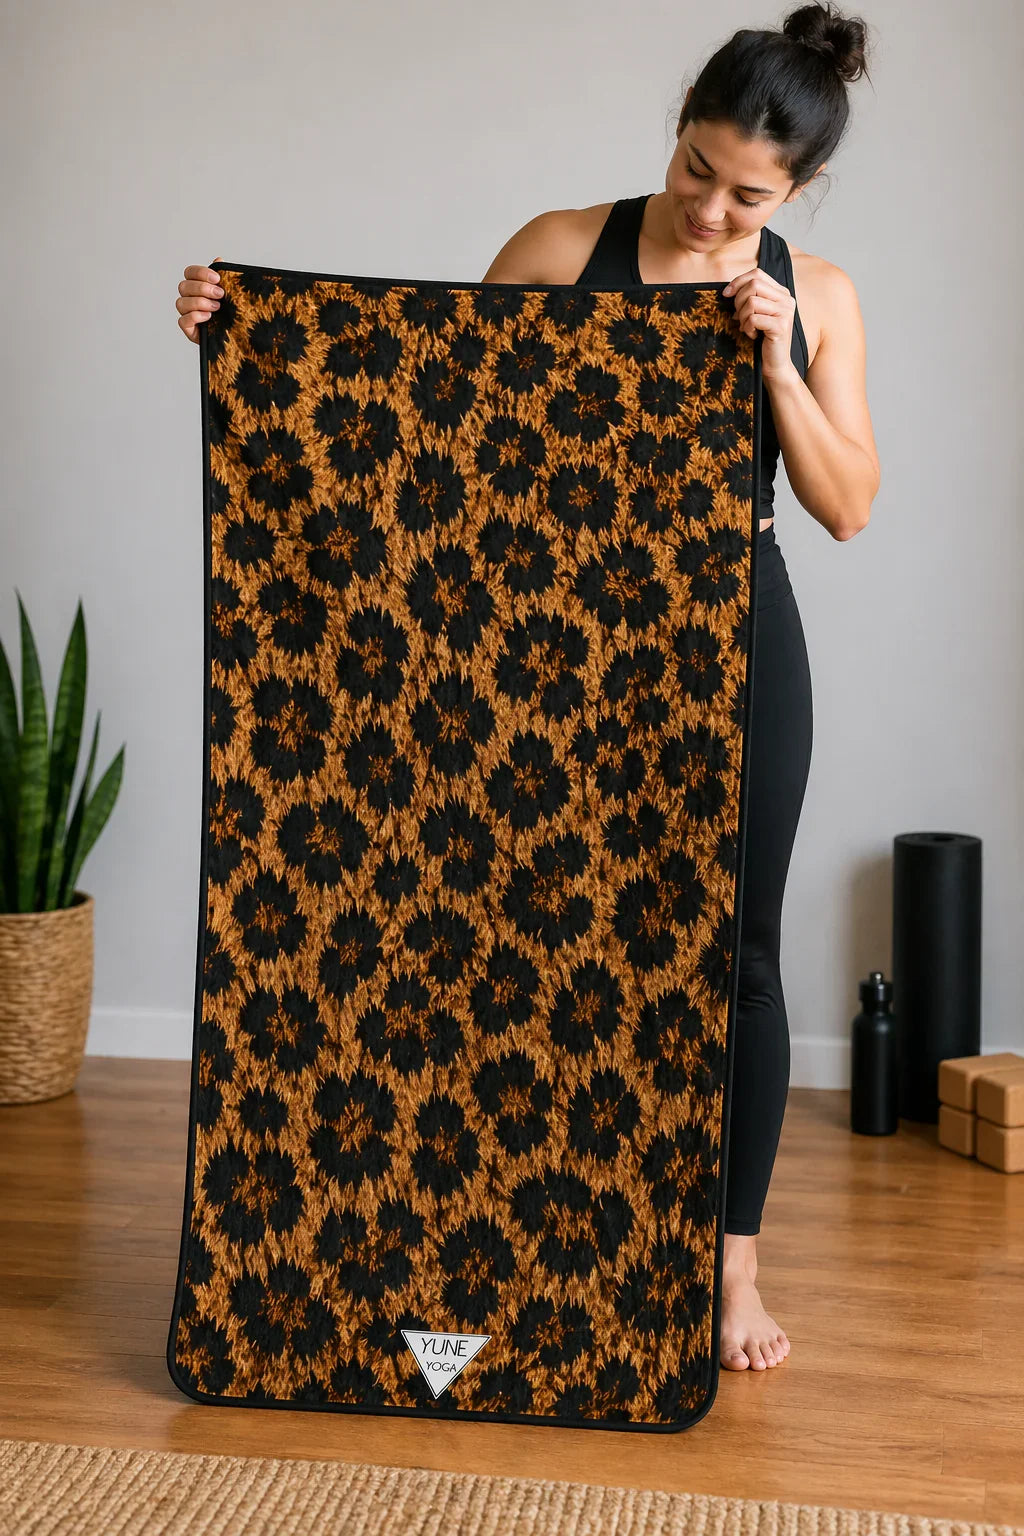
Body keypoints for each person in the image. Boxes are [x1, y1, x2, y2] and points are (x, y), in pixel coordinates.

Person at [174, 0, 879, 1378]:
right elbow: (420, 421)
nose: (710, 212)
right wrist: (234, 330)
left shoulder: (820, 291)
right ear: (676, 128)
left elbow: (846, 503)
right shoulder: (562, 247)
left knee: (732, 954)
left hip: (729, 630)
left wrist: (776, 357)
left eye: (749, 196)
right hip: (543, 645)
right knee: (508, 922)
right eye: (696, 171)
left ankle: (730, 1271)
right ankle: (508, 1229)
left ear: (795, 193)